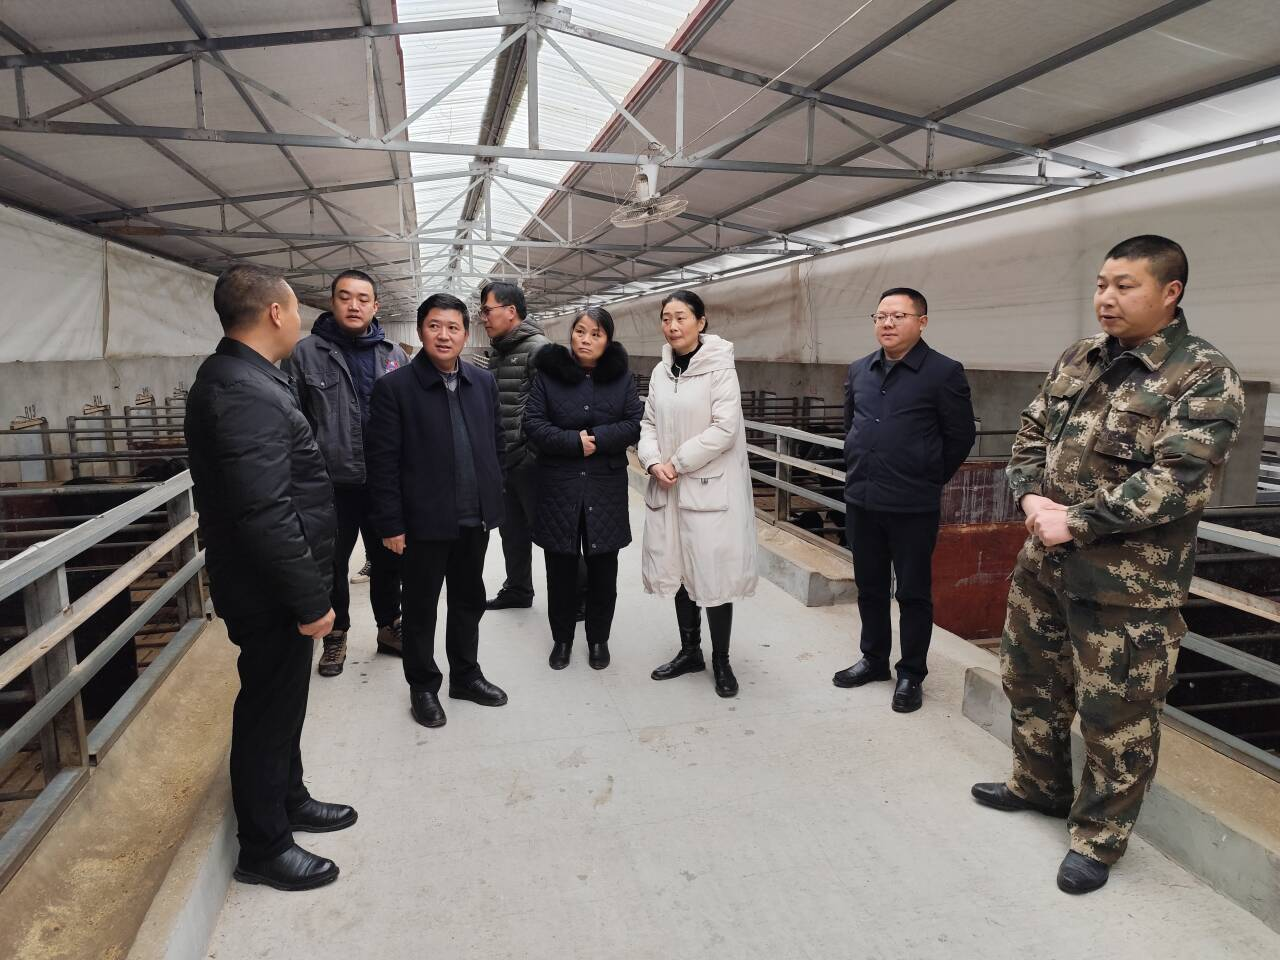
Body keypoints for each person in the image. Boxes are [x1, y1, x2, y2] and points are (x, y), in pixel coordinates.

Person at [971, 235, 1244, 895]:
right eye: (1101, 284)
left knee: (1116, 714)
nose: (1106, 298)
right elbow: (1031, 431)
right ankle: (1037, 785)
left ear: (1170, 292)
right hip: (1044, 566)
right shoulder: (1080, 357)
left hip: (1128, 588)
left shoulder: (1202, 374)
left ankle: (1099, 838)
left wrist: (1077, 520)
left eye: (1125, 285)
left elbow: (1179, 479)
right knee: (1030, 681)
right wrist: (1031, 497)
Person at [185, 265, 355, 892]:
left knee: (284, 701)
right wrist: (311, 600)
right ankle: (263, 846)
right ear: (276, 313)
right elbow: (265, 510)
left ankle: (289, 798)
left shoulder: (249, 378)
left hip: (272, 583)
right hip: (268, 589)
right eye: (297, 309)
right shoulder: (243, 391)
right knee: (266, 708)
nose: (301, 320)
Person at [366, 293, 509, 729]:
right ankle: (423, 686)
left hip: (473, 517)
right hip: (423, 522)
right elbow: (383, 463)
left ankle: (465, 675)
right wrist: (391, 523)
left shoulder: (482, 382)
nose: (443, 335)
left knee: (468, 600)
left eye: (452, 327)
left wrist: (494, 493)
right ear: (420, 330)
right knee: (421, 607)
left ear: (466, 334)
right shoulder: (395, 389)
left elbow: (497, 444)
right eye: (434, 326)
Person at [832, 287, 976, 713]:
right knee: (870, 586)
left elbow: (960, 436)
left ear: (922, 322)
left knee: (912, 592)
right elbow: (851, 425)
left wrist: (927, 475)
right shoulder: (860, 369)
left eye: (898, 316)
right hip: (862, 499)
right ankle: (874, 659)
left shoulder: (943, 372)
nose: (887, 323)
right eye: (880, 316)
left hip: (913, 504)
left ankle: (911, 673)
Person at [283, 270, 409, 677]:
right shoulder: (305, 354)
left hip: (383, 482)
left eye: (362, 298)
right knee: (333, 563)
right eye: (345, 297)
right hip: (330, 484)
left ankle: (389, 627)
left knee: (388, 560)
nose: (354, 305)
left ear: (375, 306)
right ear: (332, 302)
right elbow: (294, 421)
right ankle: (336, 635)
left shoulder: (393, 354)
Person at [638, 290, 757, 698]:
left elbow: (725, 428)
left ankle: (721, 659)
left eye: (681, 317)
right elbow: (648, 423)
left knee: (712, 574)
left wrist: (678, 461)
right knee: (679, 571)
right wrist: (653, 460)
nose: (672, 326)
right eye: (666, 318)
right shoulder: (660, 371)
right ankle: (690, 651)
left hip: (707, 489)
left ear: (701, 321)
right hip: (668, 485)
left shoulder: (719, 368)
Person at [523, 306, 642, 671]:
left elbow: (634, 423)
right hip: (559, 485)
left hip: (605, 487)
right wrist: (573, 442)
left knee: (604, 568)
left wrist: (598, 438)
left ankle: (598, 639)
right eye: (580, 331)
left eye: (595, 334)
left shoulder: (622, 379)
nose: (586, 339)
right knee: (560, 569)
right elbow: (533, 424)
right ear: (570, 335)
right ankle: (562, 639)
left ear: (608, 340)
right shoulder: (549, 376)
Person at [479, 280, 551, 610]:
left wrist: (531, 452)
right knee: (512, 532)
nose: (483, 318)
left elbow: (550, 410)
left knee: (549, 531)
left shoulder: (539, 350)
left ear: (510, 311)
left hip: (530, 463)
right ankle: (519, 589)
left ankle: (579, 595)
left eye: (487, 310)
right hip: (505, 460)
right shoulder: (500, 350)